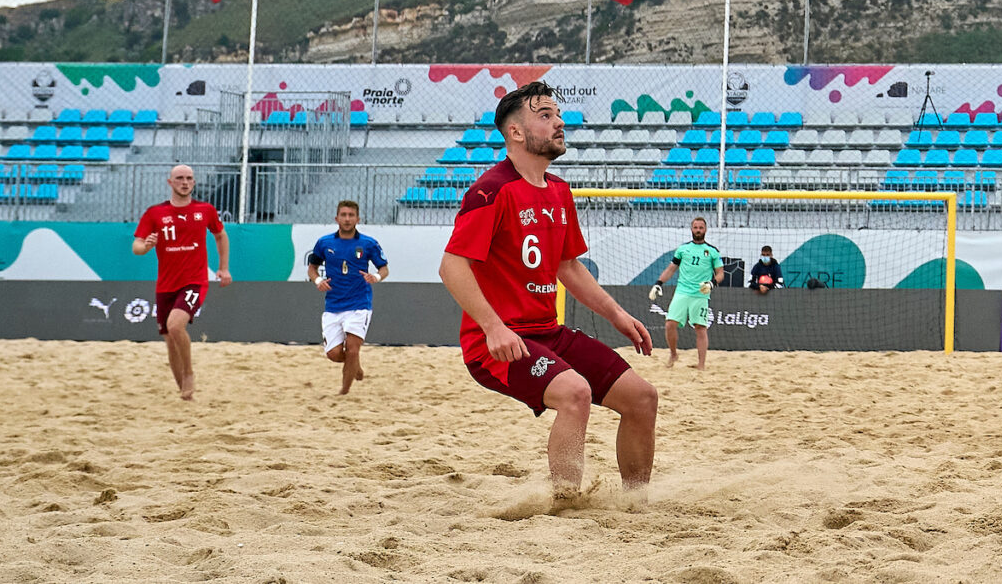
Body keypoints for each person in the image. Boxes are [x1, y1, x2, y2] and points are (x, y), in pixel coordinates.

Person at [440, 81, 659, 497]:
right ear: (516, 132)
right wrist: (493, 327)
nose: (559, 122)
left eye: (557, 114)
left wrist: (617, 315)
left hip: (547, 333)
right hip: (496, 343)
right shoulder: (491, 190)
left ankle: (637, 504)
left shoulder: (558, 190)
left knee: (642, 398)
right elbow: (451, 266)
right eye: (545, 115)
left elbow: (568, 267)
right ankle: (565, 505)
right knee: (575, 392)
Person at [132, 164, 231, 401]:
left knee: (176, 326)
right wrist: (146, 246)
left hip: (194, 280)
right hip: (166, 284)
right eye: (179, 178)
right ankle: (183, 393)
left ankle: (188, 374)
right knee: (169, 337)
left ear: (194, 183)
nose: (184, 182)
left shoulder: (205, 210)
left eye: (189, 178)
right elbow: (136, 246)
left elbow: (220, 235)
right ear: (170, 182)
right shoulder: (155, 213)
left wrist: (223, 268)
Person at [306, 200, 389, 396]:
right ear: (336, 218)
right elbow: (312, 268)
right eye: (343, 215)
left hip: (359, 304)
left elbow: (384, 269)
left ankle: (344, 391)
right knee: (334, 354)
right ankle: (355, 366)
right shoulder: (324, 243)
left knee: (352, 349)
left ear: (358, 219)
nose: (347, 219)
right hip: (333, 304)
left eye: (351, 215)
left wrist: (375, 277)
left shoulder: (368, 243)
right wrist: (318, 281)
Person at [651, 216, 724, 368]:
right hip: (682, 292)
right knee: (670, 324)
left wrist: (712, 283)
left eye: (701, 228)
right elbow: (671, 269)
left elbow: (720, 273)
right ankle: (673, 354)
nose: (698, 230)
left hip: (700, 294)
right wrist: (658, 283)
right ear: (691, 229)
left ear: (706, 230)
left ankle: (701, 365)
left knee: (700, 328)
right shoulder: (683, 249)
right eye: (696, 227)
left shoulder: (712, 251)